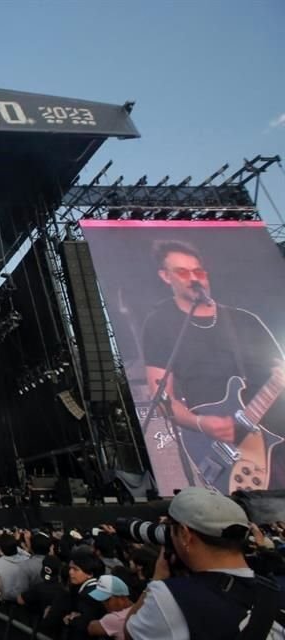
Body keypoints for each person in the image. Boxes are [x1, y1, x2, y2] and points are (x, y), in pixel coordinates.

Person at [141, 239, 285, 488]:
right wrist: (200, 423)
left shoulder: (244, 321)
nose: (194, 278)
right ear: (165, 276)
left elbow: (278, 368)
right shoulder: (160, 325)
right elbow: (162, 398)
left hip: (276, 432)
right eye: (183, 272)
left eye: (198, 271)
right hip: (218, 445)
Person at [125, 487, 285, 639]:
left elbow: (130, 633)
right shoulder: (275, 587)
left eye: (170, 528)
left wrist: (158, 578)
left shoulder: (170, 597)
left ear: (184, 534)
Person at [0, 533, 30, 602]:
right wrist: (17, 549)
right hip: (28, 599)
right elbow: (29, 555)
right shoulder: (27, 559)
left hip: (9, 601)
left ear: (0, 549)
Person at [82, 575, 132, 639]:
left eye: (107, 600)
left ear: (121, 598)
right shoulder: (138, 609)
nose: (104, 603)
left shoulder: (115, 618)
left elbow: (91, 628)